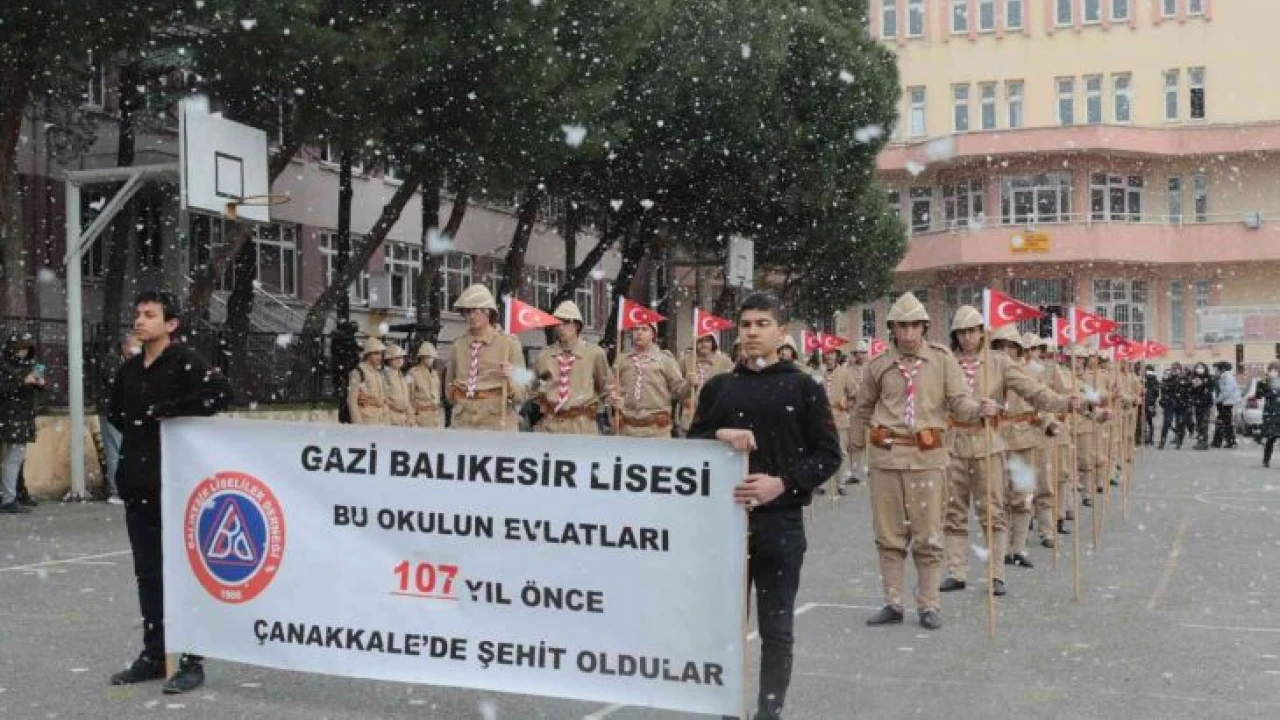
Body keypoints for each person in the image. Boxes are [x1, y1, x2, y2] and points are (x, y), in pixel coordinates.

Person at [688, 292, 842, 720]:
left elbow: (828, 454)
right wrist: (718, 436)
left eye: (762, 324)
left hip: (780, 524)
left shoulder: (804, 388)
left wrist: (783, 483)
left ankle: (769, 712)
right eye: (746, 325)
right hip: (725, 526)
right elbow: (691, 446)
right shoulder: (719, 388)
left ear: (781, 332)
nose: (753, 332)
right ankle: (728, 709)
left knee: (776, 630)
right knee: (725, 628)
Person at [107, 291, 230, 694]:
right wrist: (142, 441)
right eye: (137, 314)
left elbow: (220, 393)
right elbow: (116, 413)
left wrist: (171, 411)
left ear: (170, 324)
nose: (140, 321)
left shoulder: (185, 361)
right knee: (148, 573)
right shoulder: (129, 370)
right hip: (138, 482)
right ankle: (155, 653)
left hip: (177, 484)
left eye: (150, 315)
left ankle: (191, 659)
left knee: (183, 572)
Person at [850, 293, 996, 631]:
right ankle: (893, 602)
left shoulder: (943, 361)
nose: (908, 333)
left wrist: (979, 410)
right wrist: (852, 445)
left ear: (925, 327)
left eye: (914, 326)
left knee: (928, 535)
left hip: (927, 457)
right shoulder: (878, 365)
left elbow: (959, 402)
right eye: (902, 326)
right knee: (888, 534)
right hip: (887, 458)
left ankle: (929, 604)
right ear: (892, 328)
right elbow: (862, 408)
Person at [939, 308, 1072, 596]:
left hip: (988, 443)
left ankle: (996, 573)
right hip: (953, 443)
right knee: (953, 511)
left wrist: (1064, 403)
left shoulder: (998, 363)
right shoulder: (945, 362)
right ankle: (956, 570)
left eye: (972, 331)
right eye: (961, 332)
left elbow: (1033, 391)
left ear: (981, 332)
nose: (967, 337)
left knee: (993, 511)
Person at [445, 284, 527, 430]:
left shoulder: (508, 344)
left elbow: (523, 392)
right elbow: (449, 388)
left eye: (476, 310)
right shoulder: (458, 346)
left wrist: (510, 382)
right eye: (467, 312)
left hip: (496, 421)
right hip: (463, 421)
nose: (471, 316)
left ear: (488, 311)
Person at [533, 301, 612, 435]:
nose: (560, 327)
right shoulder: (545, 355)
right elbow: (531, 388)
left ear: (577, 325)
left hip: (582, 425)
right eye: (557, 323)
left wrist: (613, 410)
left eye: (566, 322)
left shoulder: (594, 354)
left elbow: (606, 388)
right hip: (550, 425)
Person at [610, 322, 685, 438]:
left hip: (656, 430)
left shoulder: (665, 360)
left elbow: (678, 389)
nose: (639, 333)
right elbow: (610, 387)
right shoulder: (622, 360)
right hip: (627, 429)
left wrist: (690, 384)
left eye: (644, 329)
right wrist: (613, 398)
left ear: (653, 334)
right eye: (636, 329)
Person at [0, 333, 45, 514]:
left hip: (20, 418)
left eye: (26, 349)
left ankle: (14, 495)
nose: (23, 353)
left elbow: (35, 395)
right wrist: (21, 381)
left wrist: (39, 384)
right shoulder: (5, 367)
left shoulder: (26, 367)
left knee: (16, 458)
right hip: (10, 418)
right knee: (12, 459)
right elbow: (4, 389)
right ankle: (8, 499)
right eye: (20, 349)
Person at [101, 333, 141, 505]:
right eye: (135, 344)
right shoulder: (112, 361)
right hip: (113, 411)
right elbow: (118, 383)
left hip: (127, 412)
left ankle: (124, 487)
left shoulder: (131, 362)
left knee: (124, 450)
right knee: (115, 450)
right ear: (125, 346)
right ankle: (116, 490)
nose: (138, 348)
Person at [678, 332, 734, 436]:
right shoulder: (686, 360)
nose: (704, 344)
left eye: (707, 341)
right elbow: (677, 391)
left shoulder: (724, 361)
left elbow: (732, 387)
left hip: (715, 415)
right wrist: (688, 384)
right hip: (690, 415)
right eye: (700, 341)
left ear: (713, 342)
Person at [346, 337, 387, 425]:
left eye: (381, 354)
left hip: (379, 420)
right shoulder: (358, 372)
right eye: (376, 353)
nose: (380, 357)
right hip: (366, 421)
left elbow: (382, 400)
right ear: (368, 354)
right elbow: (352, 402)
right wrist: (358, 425)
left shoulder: (378, 373)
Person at [408, 342, 444, 429]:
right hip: (421, 416)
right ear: (422, 357)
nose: (430, 360)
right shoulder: (413, 373)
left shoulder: (435, 374)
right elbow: (409, 398)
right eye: (427, 357)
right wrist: (411, 419)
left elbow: (438, 394)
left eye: (432, 357)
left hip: (435, 416)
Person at [381, 344, 412, 426]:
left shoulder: (402, 376)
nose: (399, 360)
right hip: (391, 416)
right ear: (389, 360)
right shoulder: (384, 376)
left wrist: (410, 416)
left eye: (401, 357)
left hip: (404, 417)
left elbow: (407, 399)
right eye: (396, 358)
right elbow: (383, 399)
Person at [1211, 361, 1240, 449]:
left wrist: (1217, 400)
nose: (1215, 371)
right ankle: (1218, 441)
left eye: (1216, 369)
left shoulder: (1227, 377)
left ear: (1222, 369)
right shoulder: (1221, 377)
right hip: (1223, 403)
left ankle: (1230, 441)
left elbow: (1227, 391)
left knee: (1226, 422)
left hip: (1226, 403)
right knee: (1221, 421)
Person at [1158, 364, 1188, 449]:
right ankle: (1162, 441)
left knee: (1180, 423)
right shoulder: (1167, 378)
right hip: (1169, 403)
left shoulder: (1184, 379)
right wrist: (1163, 400)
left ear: (1180, 370)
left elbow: (1187, 392)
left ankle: (1179, 441)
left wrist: (1187, 403)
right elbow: (1163, 389)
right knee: (1167, 422)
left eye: (1177, 369)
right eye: (1174, 369)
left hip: (1181, 404)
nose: (1175, 371)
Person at [1187, 362, 1214, 451]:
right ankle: (1200, 441)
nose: (1199, 369)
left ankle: (1204, 442)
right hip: (1197, 404)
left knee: (1204, 423)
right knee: (1198, 423)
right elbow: (1190, 391)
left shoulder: (1208, 378)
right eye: (1198, 368)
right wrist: (1193, 386)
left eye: (1201, 368)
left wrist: (1202, 384)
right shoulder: (1193, 378)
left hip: (1205, 404)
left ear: (1205, 369)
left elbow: (1211, 388)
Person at [1259, 363, 1280, 467]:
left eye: (1275, 370)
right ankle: (1266, 460)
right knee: (1270, 438)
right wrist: (1263, 383)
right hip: (1270, 413)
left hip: (1277, 412)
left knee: (1272, 437)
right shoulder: (1265, 382)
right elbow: (1259, 394)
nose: (1273, 372)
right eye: (1271, 370)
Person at [1142, 364, 1160, 446]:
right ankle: (1145, 438)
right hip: (1144, 402)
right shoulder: (1143, 379)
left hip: (1151, 403)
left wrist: (1152, 387)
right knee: (1144, 421)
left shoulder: (1155, 380)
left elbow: (1157, 393)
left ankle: (1150, 438)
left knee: (1150, 420)